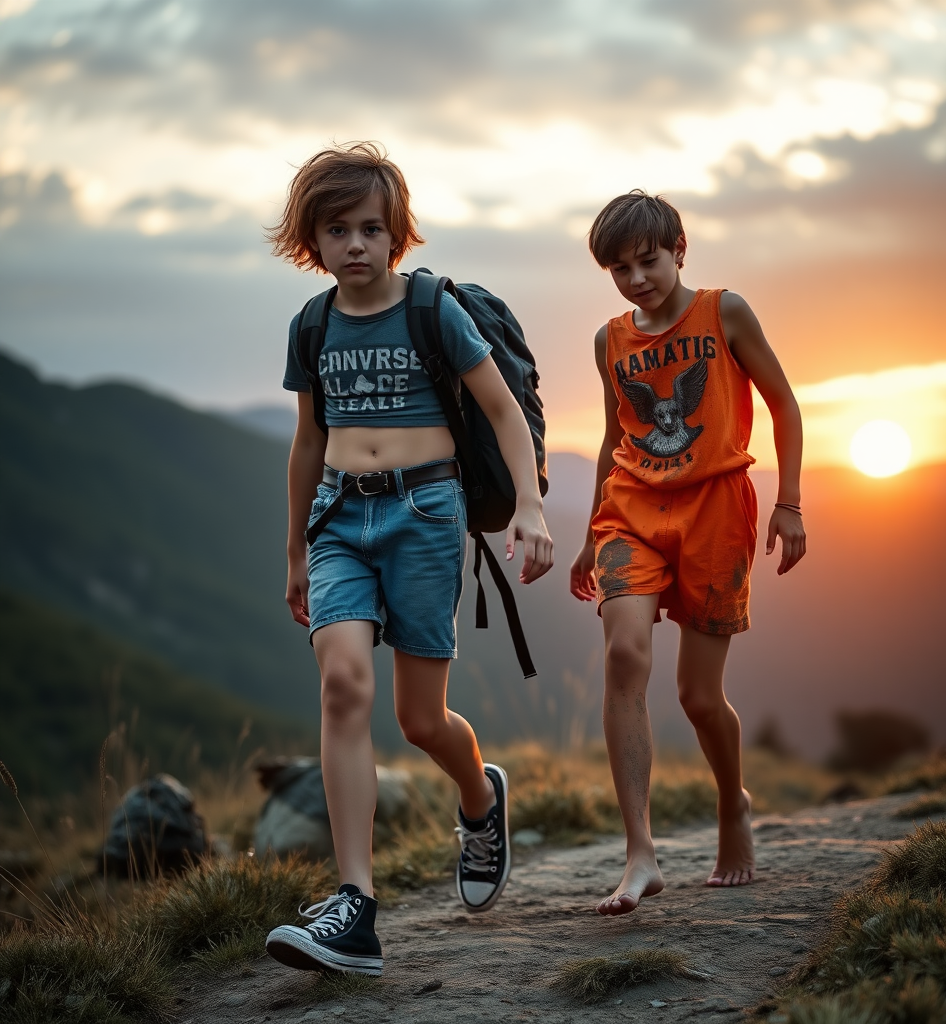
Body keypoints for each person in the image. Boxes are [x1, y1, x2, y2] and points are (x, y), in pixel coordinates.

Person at [263, 142, 553, 973]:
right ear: (310, 241)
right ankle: (355, 905)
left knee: (420, 721)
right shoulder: (311, 325)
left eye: (370, 229)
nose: (355, 245)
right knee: (344, 683)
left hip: (427, 513)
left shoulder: (434, 311)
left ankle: (479, 794)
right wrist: (293, 551)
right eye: (336, 230)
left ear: (397, 236)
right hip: (339, 522)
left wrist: (529, 509)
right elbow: (307, 441)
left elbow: (500, 410)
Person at [569, 190, 805, 915]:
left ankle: (731, 803)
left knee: (699, 697)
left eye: (648, 261)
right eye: (620, 268)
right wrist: (588, 536)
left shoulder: (724, 311)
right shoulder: (611, 340)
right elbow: (614, 439)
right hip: (631, 512)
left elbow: (783, 403)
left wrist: (790, 504)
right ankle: (640, 853)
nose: (637, 279)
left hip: (714, 513)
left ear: (679, 248)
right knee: (624, 656)